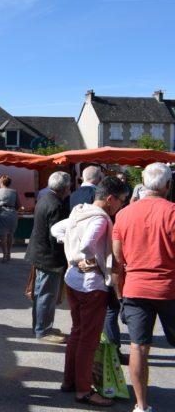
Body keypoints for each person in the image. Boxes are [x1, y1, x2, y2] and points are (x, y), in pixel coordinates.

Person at [52, 176, 128, 408]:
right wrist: (88, 259)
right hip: (90, 285)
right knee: (88, 339)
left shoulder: (79, 211)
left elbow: (57, 229)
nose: (122, 206)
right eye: (121, 201)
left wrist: (72, 253)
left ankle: (69, 381)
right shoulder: (101, 219)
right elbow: (87, 245)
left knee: (77, 332)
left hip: (73, 281)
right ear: (110, 198)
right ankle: (84, 390)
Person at [112, 162, 175, 412]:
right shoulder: (172, 212)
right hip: (169, 288)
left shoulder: (124, 214)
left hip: (135, 288)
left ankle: (141, 405)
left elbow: (117, 260)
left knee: (138, 347)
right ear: (168, 186)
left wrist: (120, 294)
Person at [25, 171, 70, 344]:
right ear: (65, 187)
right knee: (46, 294)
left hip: (40, 253)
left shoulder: (44, 198)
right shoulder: (56, 204)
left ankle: (40, 326)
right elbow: (55, 235)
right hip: (48, 256)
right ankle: (43, 330)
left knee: (40, 293)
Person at [0, 175, 20, 263]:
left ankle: (5, 255)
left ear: (1, 182)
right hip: (12, 214)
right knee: (10, 235)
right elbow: (18, 204)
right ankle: (9, 254)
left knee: (3, 236)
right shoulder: (14, 192)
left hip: (2, 213)